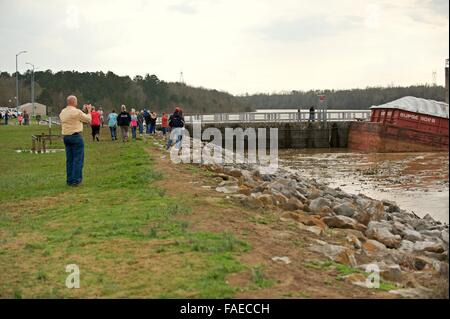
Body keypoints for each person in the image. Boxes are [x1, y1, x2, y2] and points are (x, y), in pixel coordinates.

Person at [59, 95, 92, 186]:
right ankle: (76, 180)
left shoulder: (63, 112)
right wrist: (89, 111)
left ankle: (69, 180)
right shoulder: (77, 112)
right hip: (76, 137)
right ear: (74, 102)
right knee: (78, 159)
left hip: (66, 137)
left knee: (69, 160)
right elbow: (88, 119)